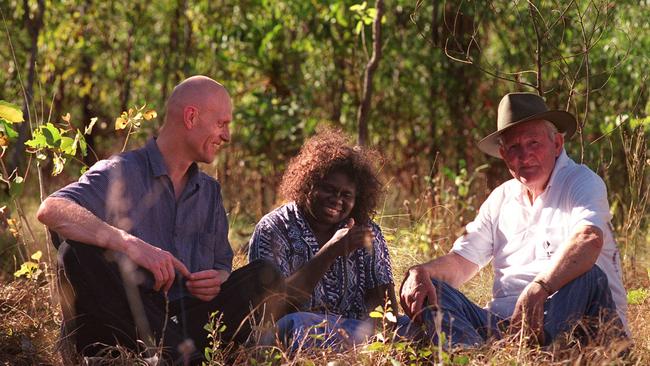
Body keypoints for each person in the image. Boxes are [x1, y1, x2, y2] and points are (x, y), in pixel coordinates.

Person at [37, 76, 283, 364]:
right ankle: (177, 356)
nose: (226, 136)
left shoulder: (210, 192)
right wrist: (129, 243)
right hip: (127, 321)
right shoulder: (121, 171)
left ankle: (178, 354)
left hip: (190, 323)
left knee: (265, 275)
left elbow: (221, 267)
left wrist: (217, 279)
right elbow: (51, 208)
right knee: (75, 253)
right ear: (191, 117)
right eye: (221, 124)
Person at [400, 92, 628, 347]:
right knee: (434, 292)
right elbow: (460, 263)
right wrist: (421, 272)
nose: (524, 155)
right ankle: (475, 357)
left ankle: (535, 358)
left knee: (588, 275)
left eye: (533, 143)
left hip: (568, 318)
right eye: (514, 148)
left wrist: (540, 287)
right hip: (506, 330)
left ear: (557, 144)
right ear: (503, 154)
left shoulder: (581, 181)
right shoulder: (501, 198)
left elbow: (588, 239)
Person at [248, 129, 403, 348]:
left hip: (355, 331)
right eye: (328, 189)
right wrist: (331, 252)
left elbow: (385, 306)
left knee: (417, 326)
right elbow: (269, 310)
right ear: (308, 185)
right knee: (296, 325)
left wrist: (378, 336)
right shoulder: (273, 228)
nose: (336, 200)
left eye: (346, 195)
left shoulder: (366, 230)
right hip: (297, 330)